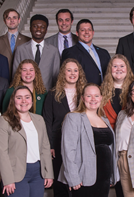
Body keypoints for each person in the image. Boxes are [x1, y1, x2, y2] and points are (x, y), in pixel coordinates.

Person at [58, 83, 119, 197]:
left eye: (96, 96)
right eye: (89, 96)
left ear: (101, 98)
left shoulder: (104, 119)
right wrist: (73, 177)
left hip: (104, 178)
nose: (93, 99)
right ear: (82, 98)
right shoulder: (73, 118)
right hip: (83, 178)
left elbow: (111, 148)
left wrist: (112, 175)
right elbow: (68, 150)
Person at [0, 86, 53, 197]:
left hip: (38, 173)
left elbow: (45, 148)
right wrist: (7, 179)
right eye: (19, 98)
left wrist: (48, 173)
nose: (24, 101)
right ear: (13, 100)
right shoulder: (4, 120)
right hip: (16, 173)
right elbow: (2, 153)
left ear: (32, 100)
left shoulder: (39, 120)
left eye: (27, 97)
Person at [43, 58, 86, 197]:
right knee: (61, 183)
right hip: (58, 142)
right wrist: (49, 145)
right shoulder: (53, 94)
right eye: (69, 70)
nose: (72, 73)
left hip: (81, 143)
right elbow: (47, 121)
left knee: (80, 182)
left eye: (75, 70)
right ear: (63, 73)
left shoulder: (85, 94)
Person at [100, 54, 134, 197]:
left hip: (129, 144)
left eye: (122, 66)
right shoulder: (102, 90)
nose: (118, 69)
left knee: (129, 186)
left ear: (127, 69)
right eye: (115, 66)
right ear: (110, 69)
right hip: (108, 143)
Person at [13, 14, 60, 91]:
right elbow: (15, 74)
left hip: (46, 93)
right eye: (35, 26)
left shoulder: (53, 51)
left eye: (42, 27)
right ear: (30, 28)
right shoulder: (20, 49)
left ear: (46, 30)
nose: (38, 29)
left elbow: (56, 76)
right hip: (25, 94)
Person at [62, 19, 110, 85]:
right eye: (83, 30)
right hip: (84, 93)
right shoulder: (70, 52)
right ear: (77, 33)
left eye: (89, 30)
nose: (86, 32)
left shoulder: (104, 53)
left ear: (93, 32)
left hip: (105, 93)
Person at [0, 8, 31, 75]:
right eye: (8, 18)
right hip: (4, 76)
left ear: (19, 20)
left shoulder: (28, 40)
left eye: (14, 17)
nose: (12, 20)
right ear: (5, 21)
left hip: (22, 76)